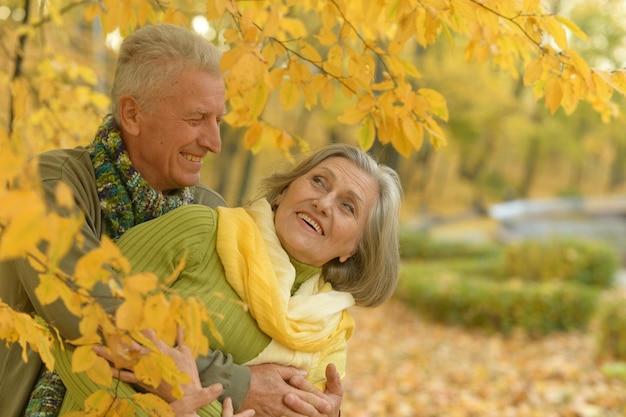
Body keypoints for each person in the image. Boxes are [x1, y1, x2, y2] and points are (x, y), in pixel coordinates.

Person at [0, 23, 340, 417]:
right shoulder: (47, 185)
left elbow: (248, 334)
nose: (213, 142)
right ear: (132, 114)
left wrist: (310, 399)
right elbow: (93, 317)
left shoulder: (212, 213)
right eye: (196, 118)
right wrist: (238, 384)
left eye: (219, 120)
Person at [50, 143, 403, 416]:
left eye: (348, 206)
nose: (323, 202)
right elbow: (81, 330)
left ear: (356, 248)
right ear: (284, 192)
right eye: (318, 181)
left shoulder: (328, 331)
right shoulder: (200, 232)